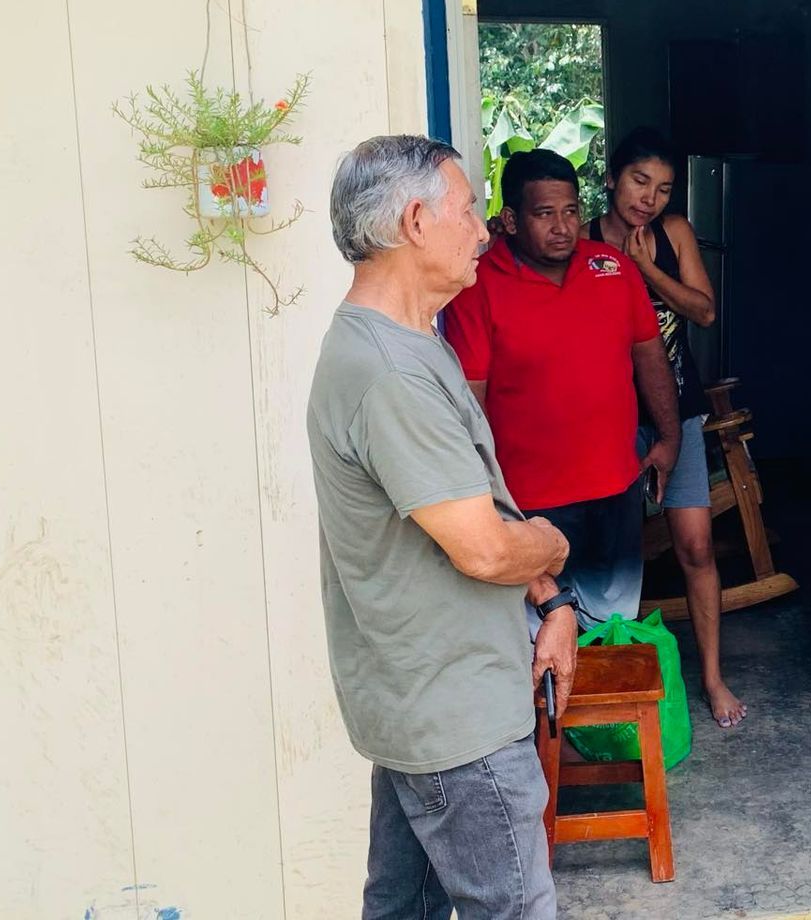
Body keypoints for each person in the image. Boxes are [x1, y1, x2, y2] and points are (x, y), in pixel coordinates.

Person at [307, 135, 576, 919]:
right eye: (469, 209)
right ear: (416, 220)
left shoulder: (404, 345)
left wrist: (551, 600)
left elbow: (467, 508)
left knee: (403, 910)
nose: (486, 230)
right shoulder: (390, 372)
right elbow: (485, 544)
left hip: (420, 704)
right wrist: (552, 543)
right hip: (457, 722)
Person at [443, 148, 681, 633]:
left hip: (616, 486)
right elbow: (470, 401)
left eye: (570, 211)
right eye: (544, 214)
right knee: (543, 637)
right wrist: (487, 497)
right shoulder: (477, 287)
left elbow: (650, 356)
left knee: (617, 630)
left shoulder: (613, 269)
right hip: (530, 503)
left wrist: (670, 437)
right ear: (510, 220)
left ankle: (610, 713)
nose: (562, 227)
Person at [586, 128, 744, 728]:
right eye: (638, 181)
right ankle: (604, 685)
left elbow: (703, 311)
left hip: (678, 412)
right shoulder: (580, 241)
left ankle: (711, 676)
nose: (648, 198)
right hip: (607, 423)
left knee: (697, 547)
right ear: (611, 178)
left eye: (663, 188)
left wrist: (646, 270)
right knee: (611, 557)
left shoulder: (672, 236)